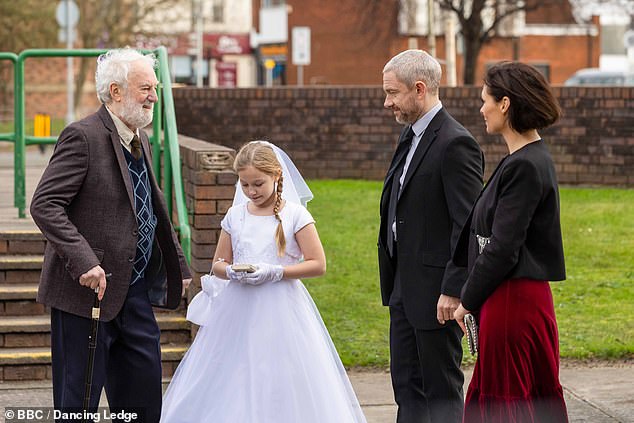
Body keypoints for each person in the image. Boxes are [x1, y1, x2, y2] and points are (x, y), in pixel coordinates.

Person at [30, 48, 192, 421]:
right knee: (78, 407)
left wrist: (177, 262)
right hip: (86, 297)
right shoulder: (82, 136)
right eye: (145, 88)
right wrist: (85, 261)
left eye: (155, 87)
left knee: (143, 403)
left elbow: (150, 206)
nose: (154, 95)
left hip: (134, 297)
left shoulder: (140, 137)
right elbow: (45, 204)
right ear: (115, 91)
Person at [161, 141, 367, 423]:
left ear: (277, 176)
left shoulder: (295, 215)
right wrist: (231, 271)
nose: (251, 191)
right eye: (244, 185)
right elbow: (217, 263)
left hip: (281, 308)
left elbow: (318, 264)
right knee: (235, 372)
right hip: (239, 308)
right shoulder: (236, 215)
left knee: (278, 373)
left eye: (258, 183)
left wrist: (276, 272)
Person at [453, 61, 568, 422]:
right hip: (518, 299)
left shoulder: (525, 165)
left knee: (506, 404)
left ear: (505, 104)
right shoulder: (525, 159)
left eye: (485, 99)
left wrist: (466, 300)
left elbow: (503, 247)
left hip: (511, 303)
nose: (481, 108)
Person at [378, 49, 484, 423]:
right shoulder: (410, 135)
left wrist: (454, 288)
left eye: (393, 93)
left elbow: (469, 223)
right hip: (403, 287)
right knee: (406, 388)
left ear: (419, 89)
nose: (387, 101)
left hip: (438, 293)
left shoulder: (456, 143)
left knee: (440, 391)